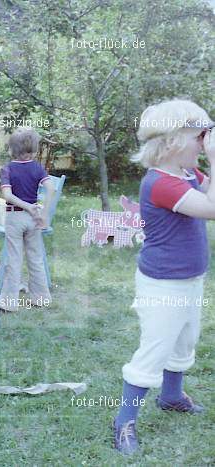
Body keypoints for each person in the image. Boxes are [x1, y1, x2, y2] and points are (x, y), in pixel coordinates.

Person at [112, 99, 214, 455]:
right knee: (156, 348)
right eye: (200, 135)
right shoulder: (160, 183)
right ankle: (124, 421)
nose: (205, 143)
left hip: (189, 278)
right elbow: (212, 208)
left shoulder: (188, 175)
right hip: (163, 284)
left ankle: (171, 396)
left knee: (185, 339)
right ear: (173, 142)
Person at [0, 127, 54, 312]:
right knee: (35, 258)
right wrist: (43, 214)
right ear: (34, 149)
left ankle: (9, 303)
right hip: (34, 219)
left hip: (14, 217)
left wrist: (26, 206)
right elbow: (51, 189)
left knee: (14, 260)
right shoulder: (37, 167)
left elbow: (7, 195)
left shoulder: (8, 168)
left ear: (11, 149)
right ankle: (41, 299)